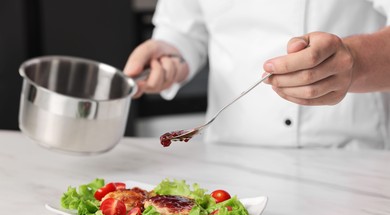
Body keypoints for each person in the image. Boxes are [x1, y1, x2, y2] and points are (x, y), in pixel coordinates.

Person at [124, 0, 390, 149]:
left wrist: (354, 61)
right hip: (230, 153)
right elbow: (182, 27)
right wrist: (169, 54)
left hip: (347, 153)